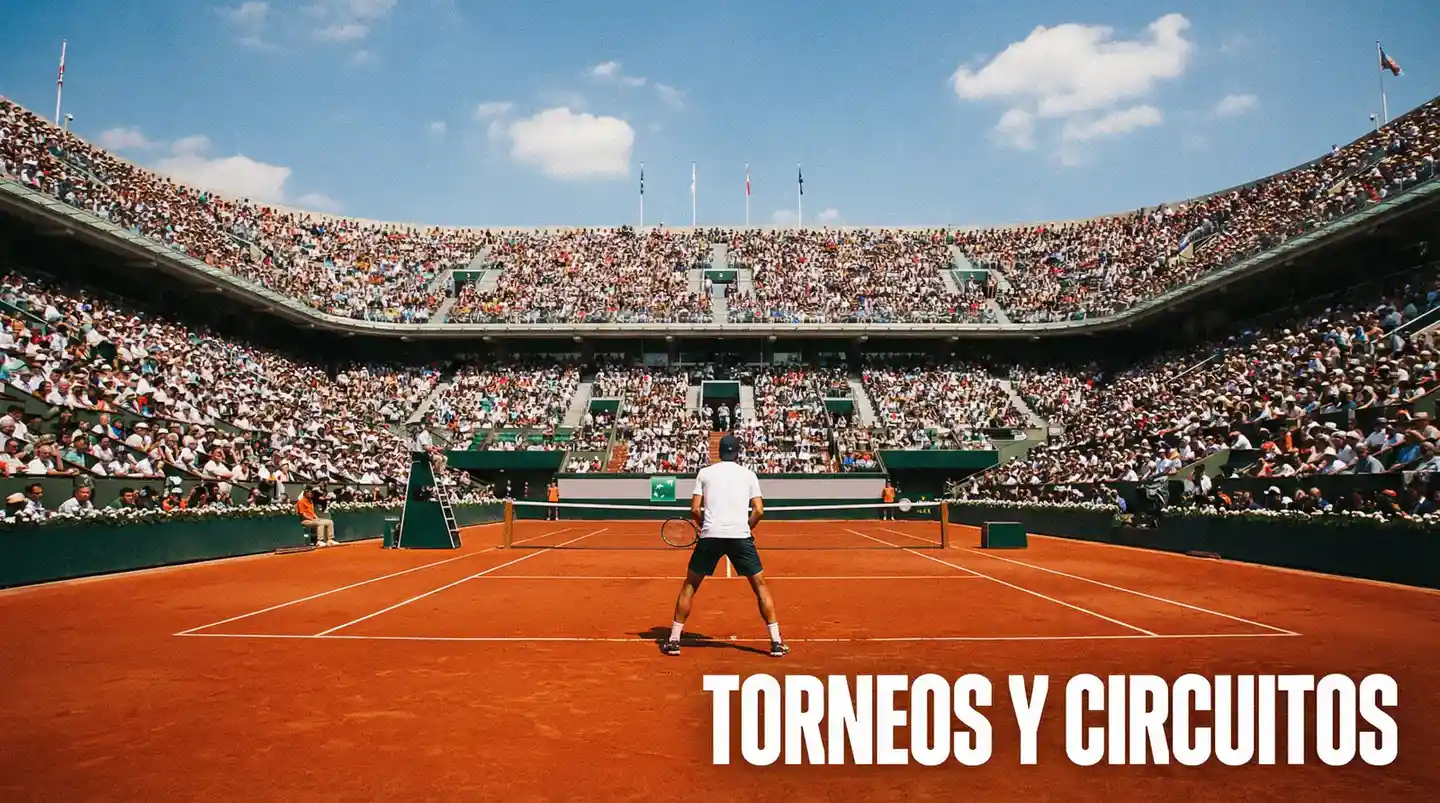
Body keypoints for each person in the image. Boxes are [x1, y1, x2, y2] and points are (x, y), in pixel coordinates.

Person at [660, 434, 788, 658]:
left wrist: (703, 526)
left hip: (711, 535)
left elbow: (695, 509)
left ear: (719, 452)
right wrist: (747, 528)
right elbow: (759, 510)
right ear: (738, 452)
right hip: (740, 535)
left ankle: (673, 640)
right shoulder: (748, 475)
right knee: (760, 586)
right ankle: (776, 642)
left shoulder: (705, 473)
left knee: (690, 585)